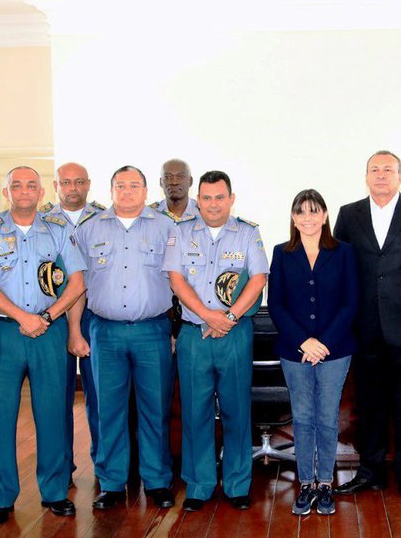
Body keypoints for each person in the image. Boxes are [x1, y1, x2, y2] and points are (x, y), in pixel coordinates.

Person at [0, 166, 87, 526]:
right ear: (5, 193)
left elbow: (77, 281)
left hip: (47, 331)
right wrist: (23, 317)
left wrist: (48, 318)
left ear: (41, 191)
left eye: (30, 185)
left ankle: (54, 491)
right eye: (16, 186)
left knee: (52, 412)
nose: (23, 191)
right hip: (4, 332)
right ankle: (0, 498)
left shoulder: (59, 229)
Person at [332, 150, 401, 504]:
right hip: (363, 326)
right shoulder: (349, 215)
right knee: (368, 403)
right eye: (374, 170)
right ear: (366, 176)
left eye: (388, 170)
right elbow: (340, 267)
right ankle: (371, 472)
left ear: (400, 176)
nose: (381, 175)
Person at [73, 165, 177, 511]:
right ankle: (113, 482)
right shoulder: (90, 230)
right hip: (106, 331)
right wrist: (75, 330)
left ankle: (158, 481)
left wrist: (176, 330)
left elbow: (179, 281)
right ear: (112, 189)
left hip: (153, 330)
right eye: (121, 185)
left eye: (134, 186)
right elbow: (77, 285)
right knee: (108, 409)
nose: (127, 191)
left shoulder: (166, 227)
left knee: (155, 408)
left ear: (146, 192)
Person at [164, 170, 268, 512]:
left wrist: (229, 318)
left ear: (231, 198)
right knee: (196, 411)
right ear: (198, 199)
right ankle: (199, 484)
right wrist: (209, 316)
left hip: (235, 335)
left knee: (238, 410)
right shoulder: (180, 233)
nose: (212, 204)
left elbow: (258, 279)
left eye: (219, 197)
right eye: (206, 198)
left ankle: (238, 484)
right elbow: (177, 281)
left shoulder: (248, 233)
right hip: (195, 335)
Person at [268, 189, 358, 516]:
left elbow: (351, 302)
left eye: (314, 211)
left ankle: (325, 484)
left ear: (324, 216)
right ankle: (306, 482)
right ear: (293, 218)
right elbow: (276, 303)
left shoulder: (344, 252)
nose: (307, 218)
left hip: (335, 350)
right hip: (295, 351)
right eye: (301, 212)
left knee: (326, 417)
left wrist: (323, 343)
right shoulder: (281, 253)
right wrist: (303, 341)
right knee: (303, 417)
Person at [40, 162, 106, 476]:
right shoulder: (40, 219)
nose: (72, 188)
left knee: (100, 396)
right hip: (52, 317)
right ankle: (61, 466)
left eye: (79, 182)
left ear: (88, 184)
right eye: (65, 182)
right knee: (57, 396)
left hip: (95, 314)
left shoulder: (105, 217)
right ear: (56, 186)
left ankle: (105, 466)